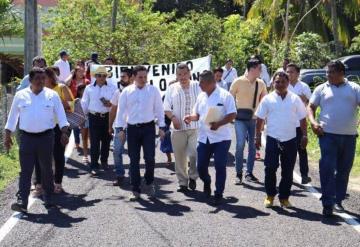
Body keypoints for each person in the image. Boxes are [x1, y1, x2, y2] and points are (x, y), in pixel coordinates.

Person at [4, 67, 69, 213]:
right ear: (30, 80)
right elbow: (13, 116)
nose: (41, 81)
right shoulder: (20, 95)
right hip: (27, 138)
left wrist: (64, 132)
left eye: (43, 79)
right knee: (25, 171)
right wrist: (7, 135)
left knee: (46, 170)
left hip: (46, 137)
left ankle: (49, 198)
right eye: (37, 79)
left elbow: (61, 115)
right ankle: (22, 201)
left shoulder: (52, 95)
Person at [308, 60, 360, 217]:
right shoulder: (321, 88)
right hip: (327, 135)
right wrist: (313, 123)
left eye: (331, 72)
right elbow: (311, 107)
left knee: (344, 170)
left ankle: (338, 200)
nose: (327, 75)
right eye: (327, 72)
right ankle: (328, 203)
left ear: (341, 73)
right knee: (327, 168)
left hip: (349, 136)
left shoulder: (354, 88)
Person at [255, 71, 307, 208]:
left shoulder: (295, 99)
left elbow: (302, 118)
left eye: (283, 82)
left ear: (288, 83)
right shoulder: (267, 99)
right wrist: (258, 136)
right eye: (277, 82)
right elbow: (260, 118)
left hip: (290, 140)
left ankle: (284, 198)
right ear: (273, 83)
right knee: (270, 168)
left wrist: (305, 135)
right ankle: (270, 196)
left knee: (287, 171)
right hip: (273, 139)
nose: (280, 84)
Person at [184, 70, 237, 205]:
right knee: (200, 167)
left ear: (211, 82)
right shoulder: (201, 96)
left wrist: (219, 123)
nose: (199, 85)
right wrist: (190, 117)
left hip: (221, 138)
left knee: (220, 166)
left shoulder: (225, 96)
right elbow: (197, 114)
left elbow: (232, 114)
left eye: (202, 83)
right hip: (204, 137)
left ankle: (218, 193)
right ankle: (206, 182)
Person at [115, 65, 166, 200]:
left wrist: (161, 127)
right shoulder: (126, 91)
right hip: (132, 129)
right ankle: (135, 189)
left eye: (145, 77)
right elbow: (121, 112)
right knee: (134, 160)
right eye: (140, 77)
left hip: (149, 128)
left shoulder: (153, 90)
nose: (143, 79)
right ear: (133, 77)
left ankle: (149, 182)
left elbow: (159, 110)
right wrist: (120, 129)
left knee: (150, 158)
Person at [164, 63, 200, 193]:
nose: (182, 77)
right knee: (179, 157)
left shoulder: (198, 86)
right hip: (178, 128)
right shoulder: (172, 88)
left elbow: (204, 103)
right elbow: (166, 107)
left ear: (189, 73)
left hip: (195, 127)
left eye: (185, 74)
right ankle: (182, 182)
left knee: (194, 153)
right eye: (179, 74)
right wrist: (173, 117)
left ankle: (193, 176)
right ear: (176, 75)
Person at [230, 58, 267, 184]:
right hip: (240, 119)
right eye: (259, 68)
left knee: (253, 146)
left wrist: (264, 120)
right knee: (240, 145)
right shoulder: (238, 81)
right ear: (252, 69)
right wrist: (232, 113)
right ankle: (238, 173)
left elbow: (265, 102)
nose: (261, 70)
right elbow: (229, 98)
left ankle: (249, 173)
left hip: (255, 120)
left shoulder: (261, 83)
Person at [41, 67, 74, 193]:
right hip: (43, 126)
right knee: (43, 155)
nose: (42, 80)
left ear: (51, 77)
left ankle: (58, 182)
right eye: (39, 77)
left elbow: (72, 106)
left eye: (44, 77)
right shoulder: (38, 91)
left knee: (58, 155)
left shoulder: (61, 87)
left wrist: (61, 102)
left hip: (60, 126)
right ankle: (42, 182)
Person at [81, 66, 117, 175]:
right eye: (99, 75)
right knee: (95, 142)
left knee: (106, 140)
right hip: (94, 117)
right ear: (95, 76)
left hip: (107, 116)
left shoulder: (112, 87)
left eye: (104, 75)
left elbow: (115, 104)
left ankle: (104, 161)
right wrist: (83, 117)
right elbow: (84, 103)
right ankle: (94, 165)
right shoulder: (89, 88)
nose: (102, 77)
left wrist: (110, 104)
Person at [286, 63, 312, 184]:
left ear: (297, 73)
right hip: (287, 123)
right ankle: (288, 175)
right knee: (288, 152)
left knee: (302, 149)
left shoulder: (304, 86)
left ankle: (304, 175)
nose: (289, 74)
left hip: (300, 124)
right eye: (287, 71)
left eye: (291, 72)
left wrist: (304, 99)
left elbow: (310, 103)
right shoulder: (283, 85)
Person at [109, 68, 133, 186]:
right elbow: (113, 110)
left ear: (130, 77)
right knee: (116, 151)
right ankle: (120, 175)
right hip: (119, 127)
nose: (121, 79)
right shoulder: (118, 92)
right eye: (121, 77)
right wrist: (110, 125)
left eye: (124, 77)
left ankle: (134, 175)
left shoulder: (137, 91)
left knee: (134, 152)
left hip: (133, 126)